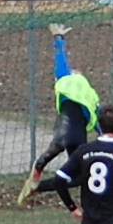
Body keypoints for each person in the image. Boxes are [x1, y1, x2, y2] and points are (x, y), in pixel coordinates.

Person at [18, 23, 102, 204]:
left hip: (75, 132)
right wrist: (58, 38)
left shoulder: (88, 92)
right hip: (70, 127)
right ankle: (38, 172)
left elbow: (99, 118)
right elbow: (60, 57)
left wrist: (108, 136)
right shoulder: (67, 79)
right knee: (59, 147)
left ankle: (37, 186)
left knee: (79, 175)